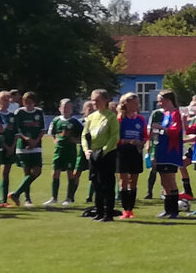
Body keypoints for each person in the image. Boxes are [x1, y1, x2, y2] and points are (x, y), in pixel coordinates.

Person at [82, 89, 120, 222]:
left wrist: (104, 151)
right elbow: (84, 135)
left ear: (105, 100)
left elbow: (114, 136)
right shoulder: (91, 117)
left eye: (97, 100)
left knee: (107, 184)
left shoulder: (110, 117)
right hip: (93, 154)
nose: (94, 102)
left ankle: (108, 213)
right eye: (92, 100)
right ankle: (98, 212)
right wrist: (86, 150)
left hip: (106, 154)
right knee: (96, 183)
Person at [151, 90, 186, 219]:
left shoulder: (175, 114)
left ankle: (174, 210)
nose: (159, 103)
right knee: (163, 181)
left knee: (170, 180)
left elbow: (175, 132)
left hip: (171, 152)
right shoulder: (165, 114)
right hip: (162, 151)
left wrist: (161, 128)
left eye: (160, 100)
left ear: (167, 100)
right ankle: (167, 209)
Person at [9, 92, 45, 206]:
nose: (27, 104)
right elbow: (18, 130)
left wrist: (35, 141)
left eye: (30, 102)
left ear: (34, 102)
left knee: (37, 171)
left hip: (36, 146)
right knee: (27, 172)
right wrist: (27, 140)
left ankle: (17, 193)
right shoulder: (19, 112)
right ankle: (27, 199)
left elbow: (42, 129)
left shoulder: (39, 112)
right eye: (25, 102)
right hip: (23, 146)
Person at [45, 99, 84, 206]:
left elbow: (84, 135)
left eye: (68, 107)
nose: (66, 109)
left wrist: (76, 141)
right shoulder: (56, 120)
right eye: (64, 107)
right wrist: (54, 140)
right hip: (59, 151)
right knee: (55, 173)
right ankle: (54, 198)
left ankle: (69, 198)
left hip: (70, 151)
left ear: (71, 109)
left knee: (70, 174)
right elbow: (51, 133)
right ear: (60, 108)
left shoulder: (75, 122)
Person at [116, 93, 147, 219]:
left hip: (136, 151)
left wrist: (142, 142)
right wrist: (127, 141)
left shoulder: (140, 119)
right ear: (125, 104)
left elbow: (145, 135)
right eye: (133, 103)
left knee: (133, 181)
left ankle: (130, 209)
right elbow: (115, 138)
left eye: (137, 103)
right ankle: (125, 209)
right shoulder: (120, 119)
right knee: (123, 180)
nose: (136, 105)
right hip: (123, 151)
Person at [0, 91, 16, 207]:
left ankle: (4, 200)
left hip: (10, 147)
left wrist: (12, 147)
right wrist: (5, 146)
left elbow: (16, 133)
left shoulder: (12, 115)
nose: (6, 102)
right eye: (3, 99)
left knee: (6, 173)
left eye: (7, 99)